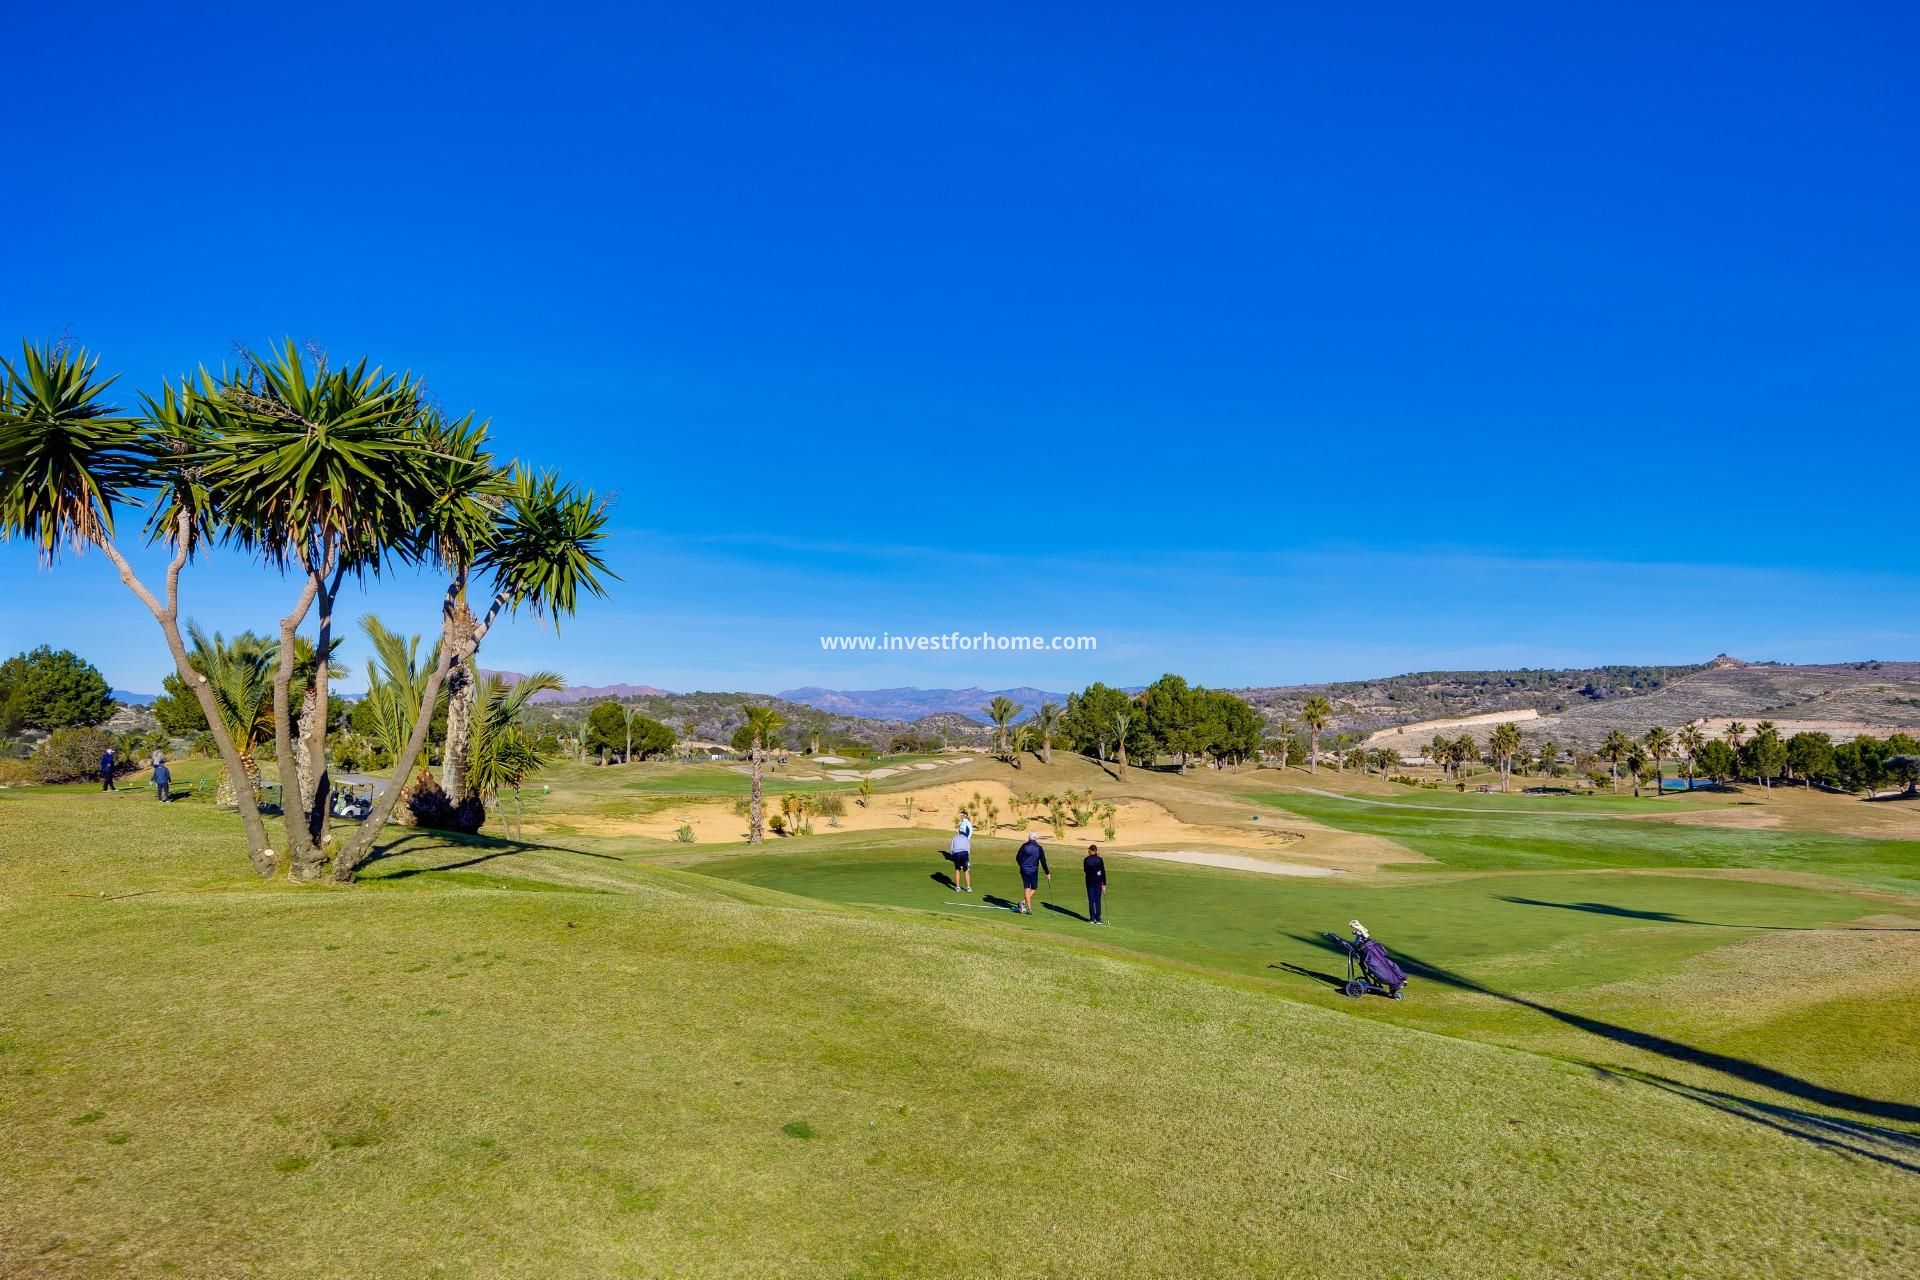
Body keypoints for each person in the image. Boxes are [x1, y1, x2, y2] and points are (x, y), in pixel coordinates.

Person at [1015, 830, 1050, 914]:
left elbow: (1018, 857)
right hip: (1033, 870)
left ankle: (1023, 903)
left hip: (1024, 869)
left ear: (1028, 838)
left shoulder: (1024, 846)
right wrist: (1047, 872)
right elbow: (1043, 861)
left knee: (1031, 888)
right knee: (1031, 888)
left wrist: (1022, 865)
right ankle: (1029, 909)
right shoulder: (1039, 848)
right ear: (1036, 839)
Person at [947, 811, 974, 892]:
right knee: (965, 869)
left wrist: (967, 839)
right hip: (963, 845)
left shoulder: (967, 822)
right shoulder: (961, 822)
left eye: (961, 815)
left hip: (963, 842)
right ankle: (968, 887)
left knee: (958, 869)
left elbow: (970, 831)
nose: (960, 816)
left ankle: (958, 887)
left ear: (965, 816)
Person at [1083, 843, 1107, 925]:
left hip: (1089, 881)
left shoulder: (1086, 860)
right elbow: (1103, 871)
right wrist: (1104, 884)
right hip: (1098, 881)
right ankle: (1098, 919)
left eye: (1089, 850)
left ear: (1091, 851)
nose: (1088, 851)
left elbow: (1086, 871)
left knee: (1091, 900)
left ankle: (1092, 918)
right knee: (1097, 900)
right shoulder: (1100, 859)